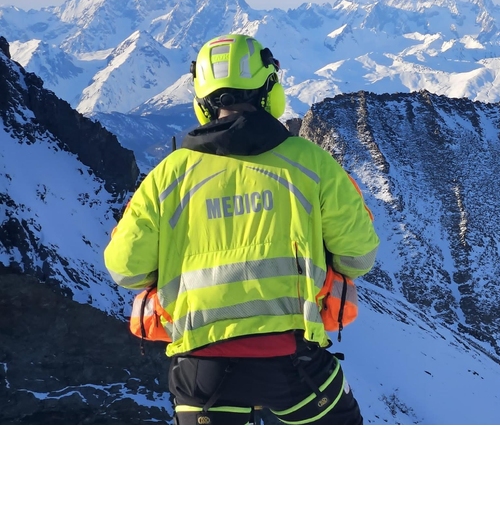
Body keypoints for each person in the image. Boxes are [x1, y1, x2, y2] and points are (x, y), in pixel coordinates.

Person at [104, 33, 380, 424]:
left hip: (201, 371)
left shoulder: (167, 176)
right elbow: (358, 256)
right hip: (293, 363)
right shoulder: (311, 164)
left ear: (201, 102)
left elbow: (126, 268)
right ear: (269, 90)